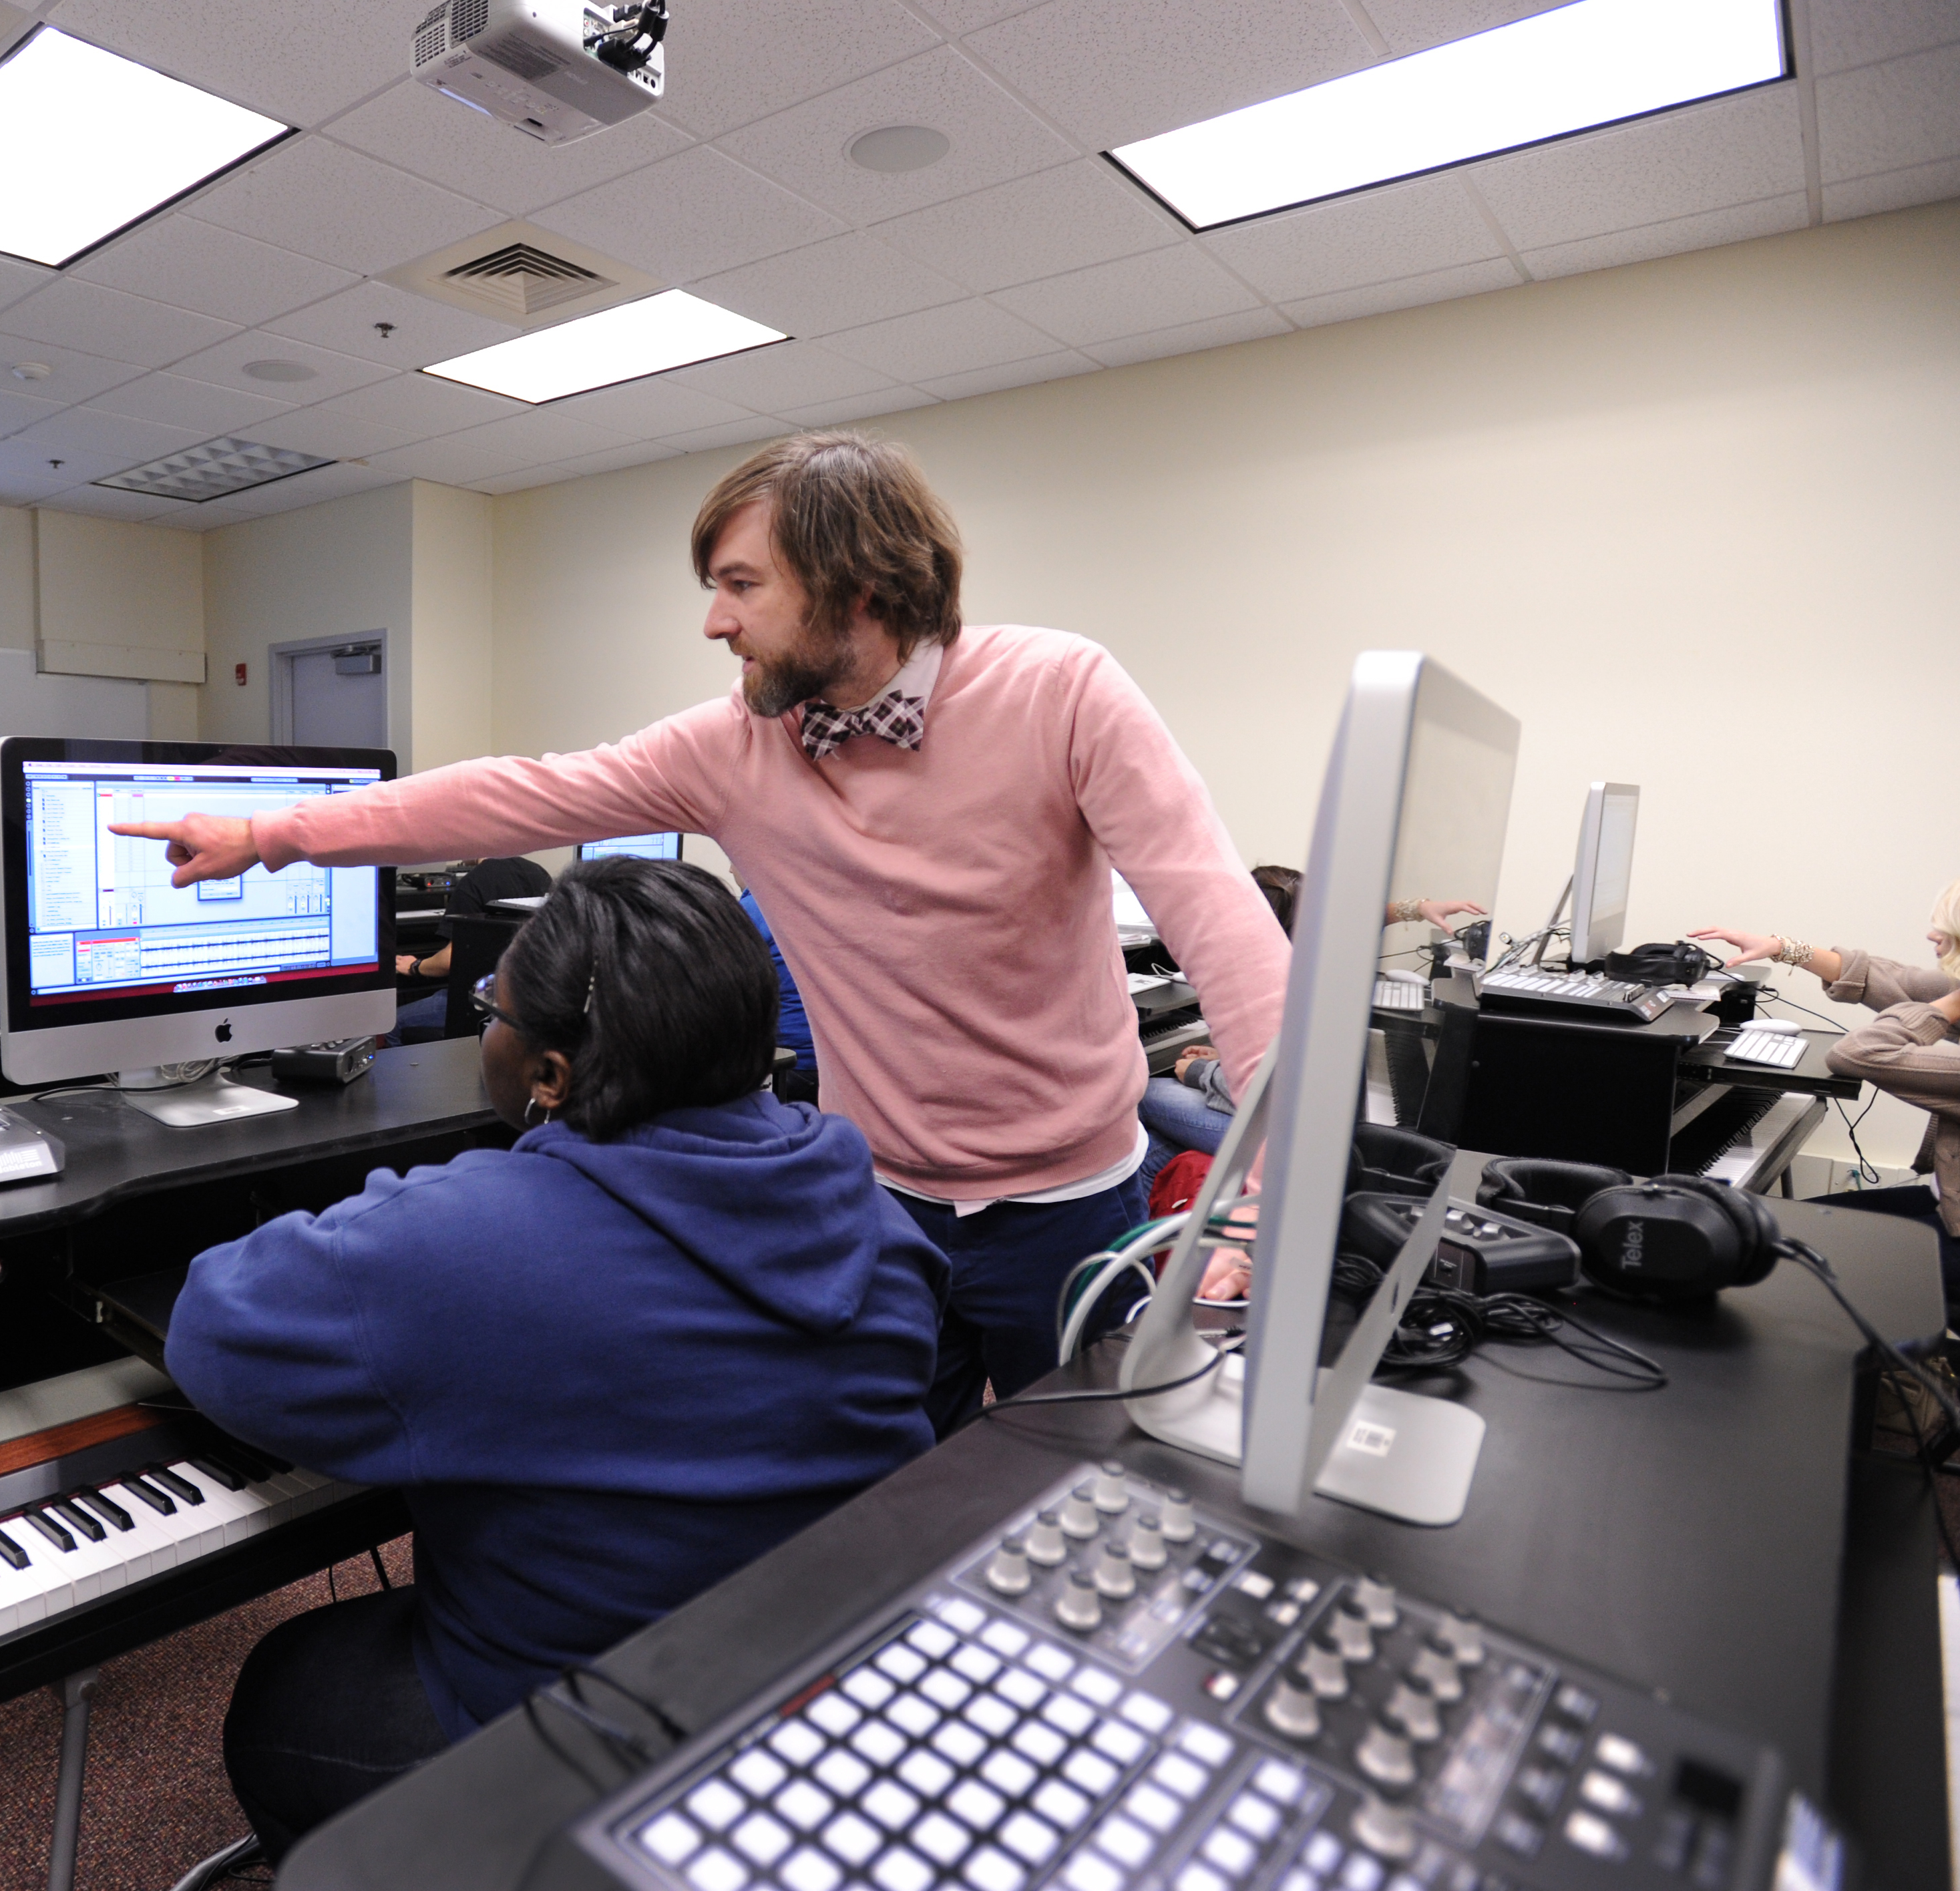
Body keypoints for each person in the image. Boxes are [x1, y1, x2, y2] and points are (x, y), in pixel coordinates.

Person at [118, 432, 1290, 1434]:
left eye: (740, 587)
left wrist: (1268, 1191)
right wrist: (271, 832)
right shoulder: (735, 744)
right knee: (881, 1519)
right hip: (876, 1202)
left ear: (858, 585)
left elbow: (1222, 927)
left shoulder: (1062, 692)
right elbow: (516, 792)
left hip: (1069, 1202)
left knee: (1079, 1501)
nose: (714, 623)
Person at [164, 859, 943, 1856]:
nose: (484, 1022)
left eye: (492, 1007)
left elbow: (211, 1324)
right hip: (818, 1702)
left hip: (596, 1734)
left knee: (283, 1688)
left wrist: (406, 1205)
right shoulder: (878, 1216)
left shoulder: (468, 1240)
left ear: (549, 1076)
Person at [1692, 870, 1960, 1287]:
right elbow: (1901, 983)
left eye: (1952, 927)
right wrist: (1783, 949)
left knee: (1785, 1265)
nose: (1933, 935)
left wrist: (1958, 998)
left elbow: (1861, 1054)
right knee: (1775, 1226)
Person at [1142, 865, 1304, 1158]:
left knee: (1144, 1093)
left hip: (1282, 1138)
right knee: (1166, 1143)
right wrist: (1224, 1061)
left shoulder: (1272, 988)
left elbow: (1269, 1094)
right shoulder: (1307, 977)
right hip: (1296, 1128)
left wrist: (1200, 1072)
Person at [391, 855, 551, 1042]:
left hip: (478, 999)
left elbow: (452, 959)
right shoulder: (538, 873)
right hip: (527, 998)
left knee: (391, 1026)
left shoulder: (475, 882)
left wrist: (415, 966)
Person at [740, 886, 818, 1102]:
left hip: (792, 1064)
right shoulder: (820, 902)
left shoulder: (755, 908)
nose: (729, 868)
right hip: (834, 1067)